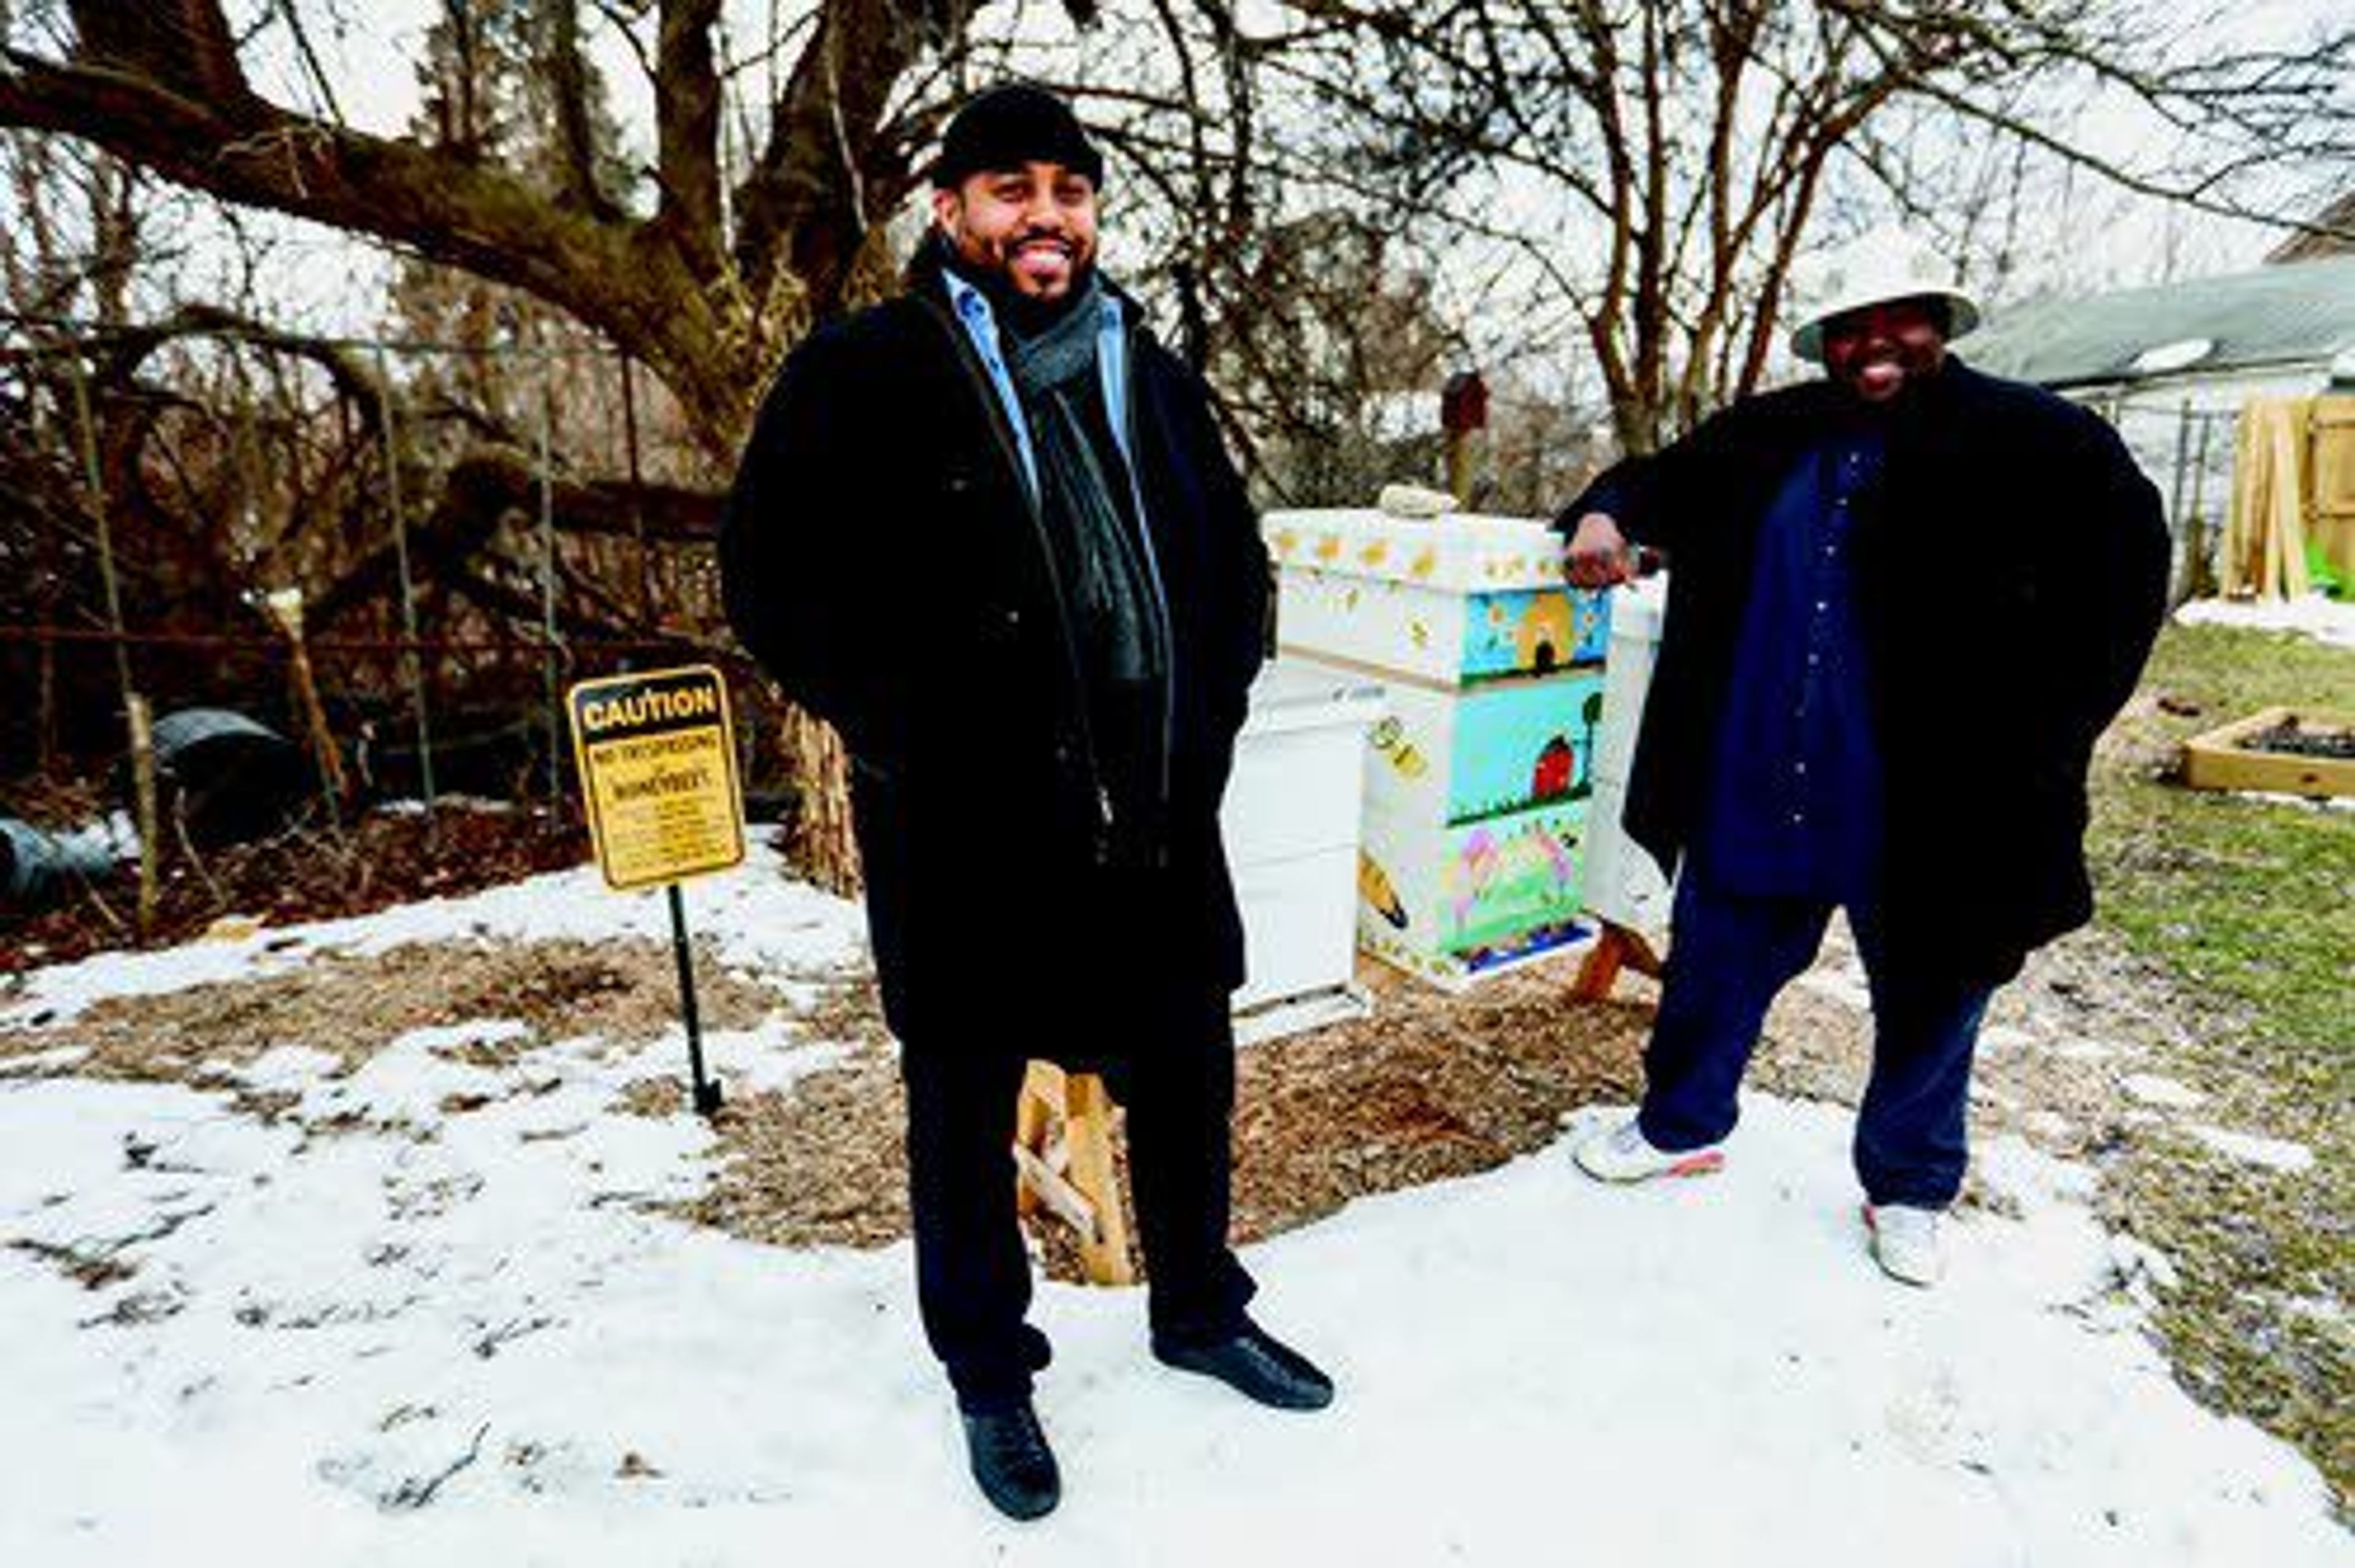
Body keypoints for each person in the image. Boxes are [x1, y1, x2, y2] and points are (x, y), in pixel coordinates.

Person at [719, 82, 1332, 1522]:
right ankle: (990, 1369)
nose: (1044, 215)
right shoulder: (864, 368)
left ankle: (1196, 1306)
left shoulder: (1145, 365)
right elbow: (766, 575)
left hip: (1155, 810)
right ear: (950, 212)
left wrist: (1216, 708)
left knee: (1186, 1066)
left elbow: (1232, 561)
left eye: (1068, 188)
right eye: (1011, 189)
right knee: (963, 1094)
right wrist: (898, 724)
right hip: (967, 829)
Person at [1556, 229, 2167, 1286]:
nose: (1877, 349)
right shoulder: (1771, 433)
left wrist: (2054, 727)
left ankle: (1910, 1186)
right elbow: (1658, 481)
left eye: (1901, 325)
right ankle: (1678, 1126)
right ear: (1827, 343)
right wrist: (1607, 512)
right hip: (1761, 768)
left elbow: (2127, 573)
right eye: (1854, 331)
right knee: (1713, 964)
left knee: (1934, 996)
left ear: (1941, 323)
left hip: (1933, 800)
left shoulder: (2041, 441)